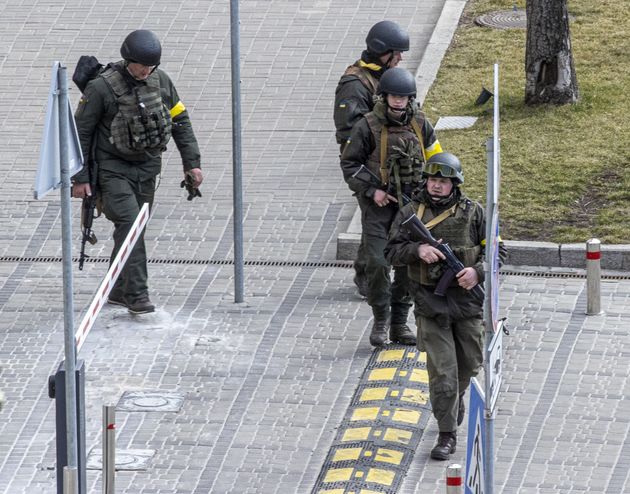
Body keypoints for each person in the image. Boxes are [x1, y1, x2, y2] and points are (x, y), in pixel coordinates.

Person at [384, 152, 507, 460]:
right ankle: (447, 433)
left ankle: (454, 401)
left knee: (469, 364)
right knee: (443, 373)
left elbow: (497, 250)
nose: (437, 186)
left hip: (467, 304)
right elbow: (390, 252)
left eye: (444, 182)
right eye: (433, 180)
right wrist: (418, 249)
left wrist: (476, 271)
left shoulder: (475, 213)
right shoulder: (411, 213)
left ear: (455, 184)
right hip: (431, 303)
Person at [71, 29, 203, 314]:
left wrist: (191, 163)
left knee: (133, 229)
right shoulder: (101, 88)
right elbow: (80, 133)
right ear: (127, 59)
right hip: (111, 170)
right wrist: (80, 178)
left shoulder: (161, 80)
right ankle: (137, 295)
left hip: (146, 168)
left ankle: (117, 290)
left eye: (150, 66)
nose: (146, 71)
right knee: (131, 226)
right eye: (141, 65)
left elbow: (180, 120)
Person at [340, 67, 442, 347]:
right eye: (393, 96)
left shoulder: (421, 123)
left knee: (410, 265)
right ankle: (381, 320)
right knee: (377, 262)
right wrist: (372, 191)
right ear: (384, 96)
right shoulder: (367, 125)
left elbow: (435, 156)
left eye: (403, 96)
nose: (398, 101)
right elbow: (350, 164)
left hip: (411, 209)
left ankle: (399, 323)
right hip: (379, 207)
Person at [334, 20, 410, 298]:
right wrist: (369, 182)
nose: (400, 58)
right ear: (382, 51)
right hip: (366, 168)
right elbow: (353, 133)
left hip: (389, 165)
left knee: (378, 222)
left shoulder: (382, 76)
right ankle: (367, 276)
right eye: (396, 52)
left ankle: (366, 271)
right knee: (375, 221)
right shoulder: (355, 84)